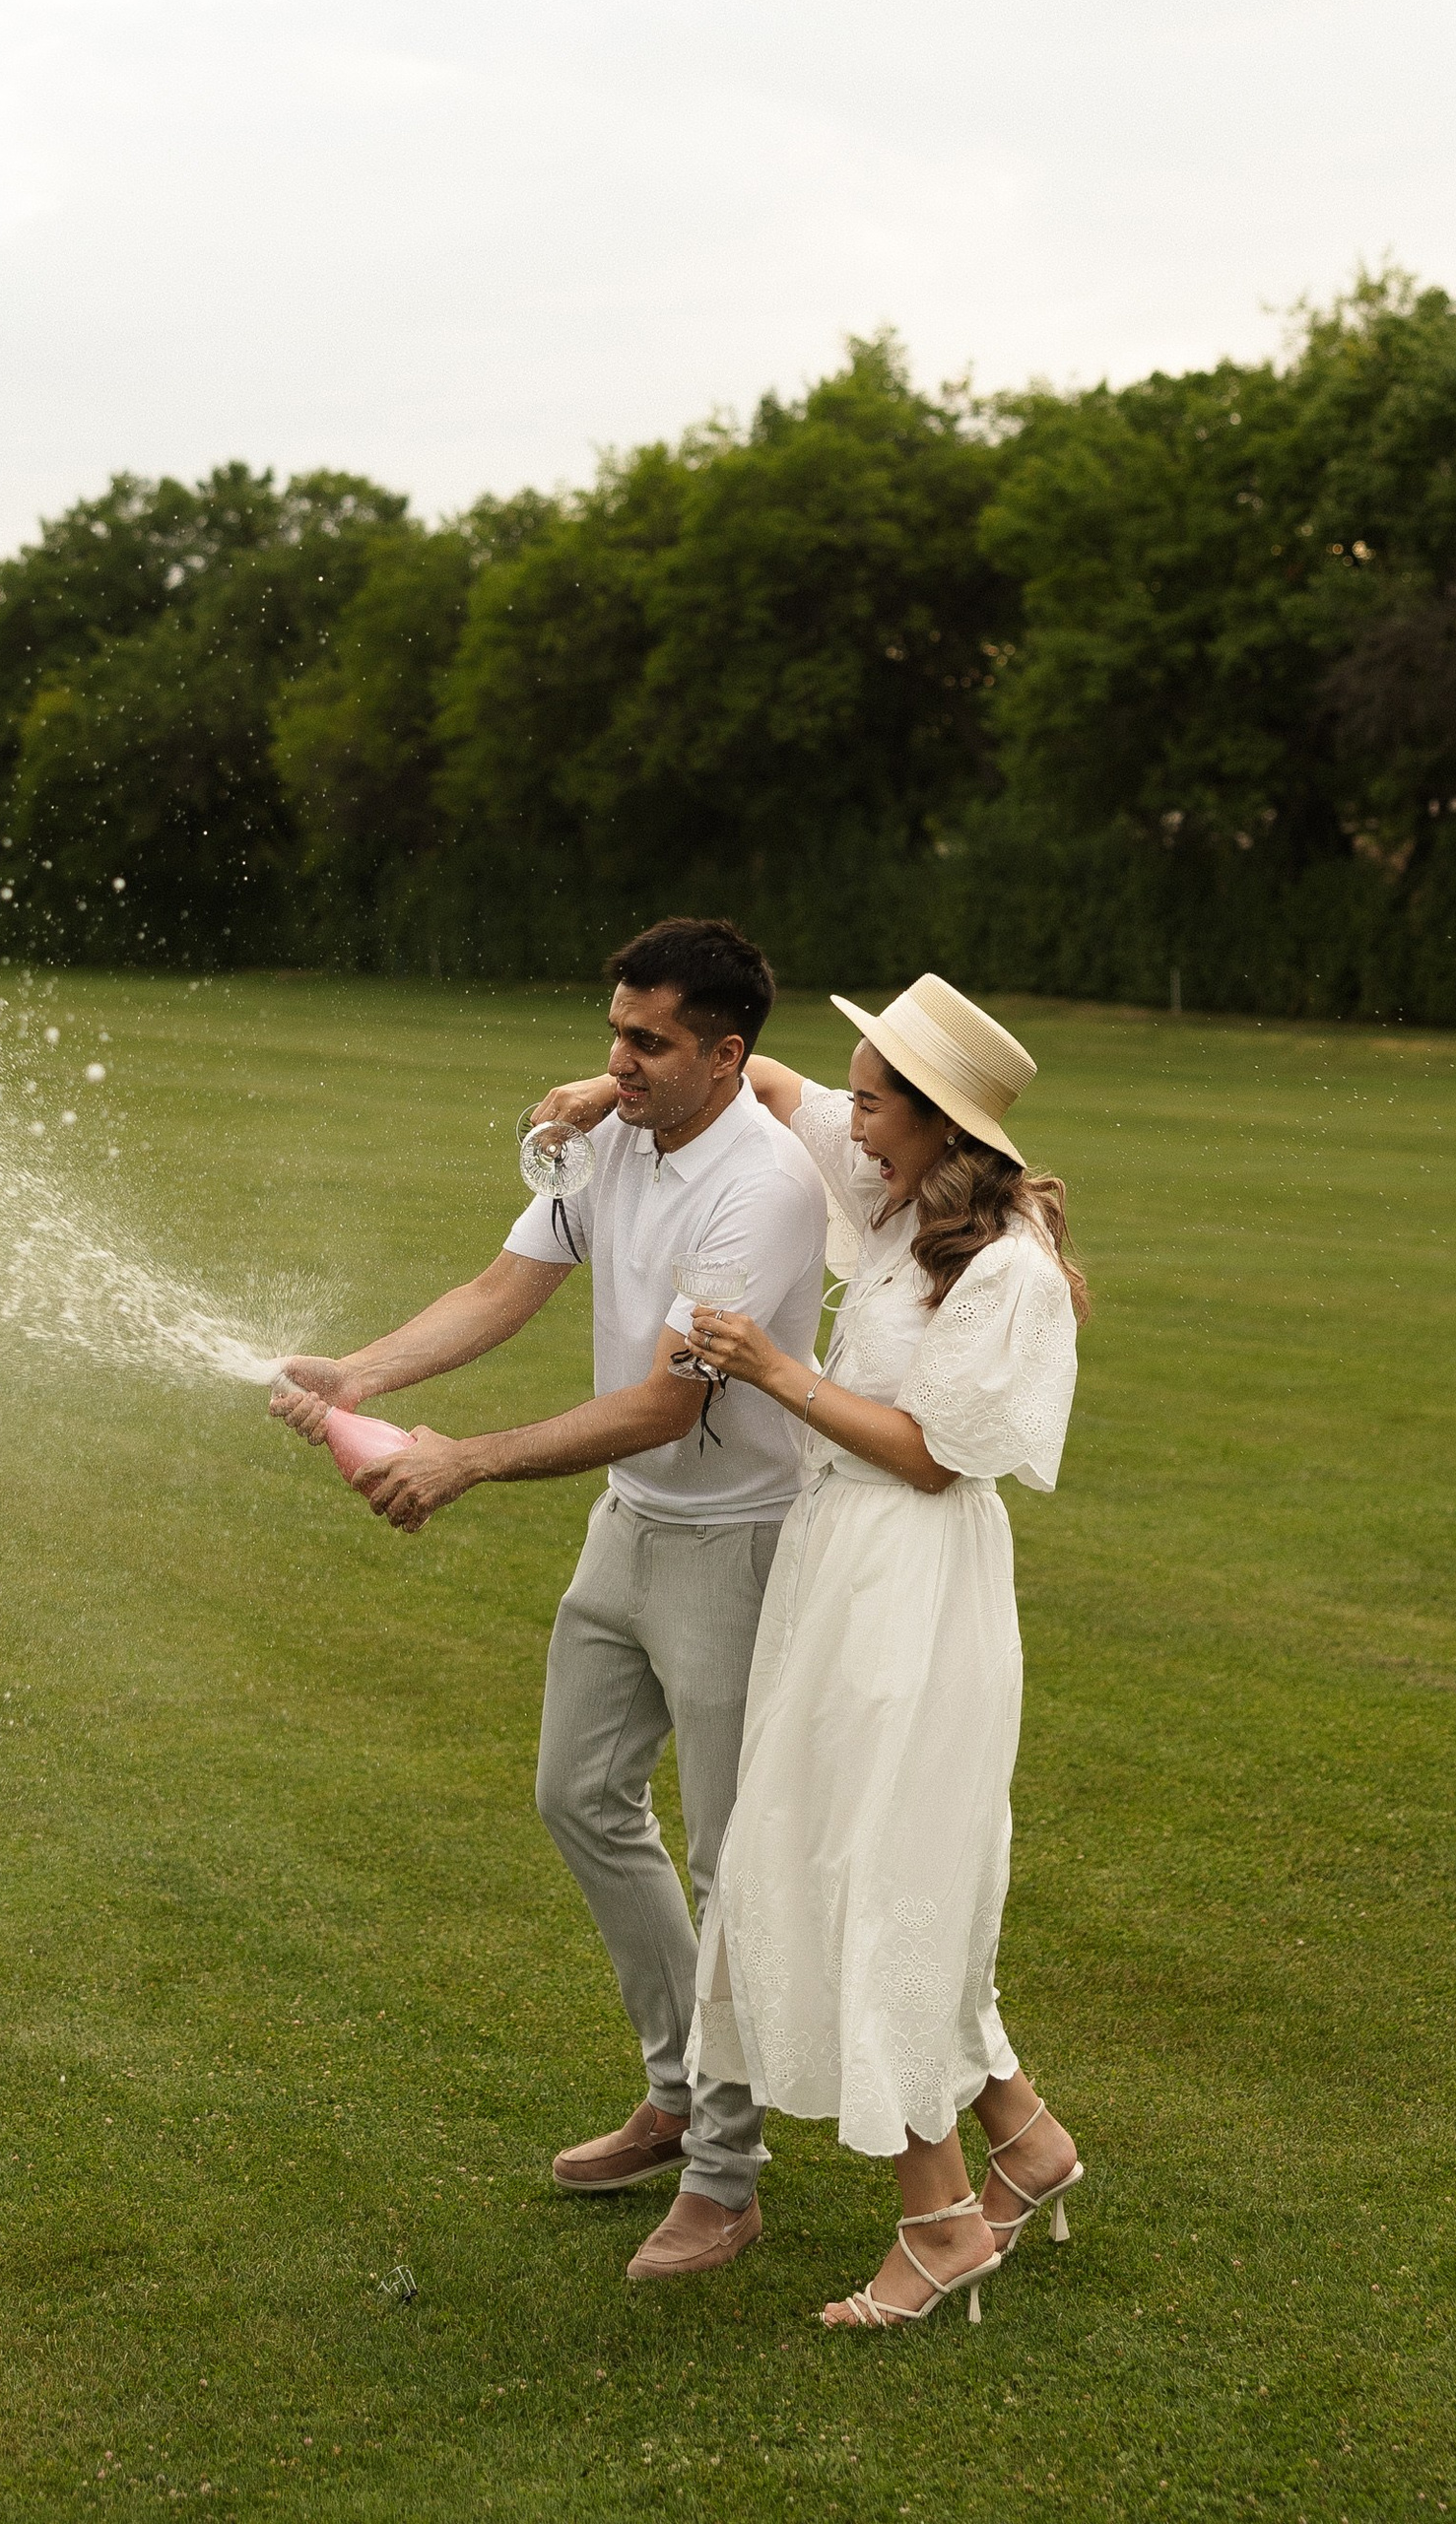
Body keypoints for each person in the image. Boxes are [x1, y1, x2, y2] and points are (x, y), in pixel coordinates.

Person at [270, 918, 826, 2285]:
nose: (616, 1063)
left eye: (650, 1042)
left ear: (727, 1056)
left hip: (741, 1546)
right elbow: (504, 1287)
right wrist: (362, 1378)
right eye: (614, 1034)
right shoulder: (608, 1136)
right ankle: (679, 2087)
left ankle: (727, 2178)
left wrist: (467, 1461)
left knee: (730, 1863)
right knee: (578, 1796)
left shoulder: (767, 1190)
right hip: (632, 1528)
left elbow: (661, 1401)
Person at [536, 970, 1088, 2331]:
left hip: (911, 1584)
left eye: (874, 1096)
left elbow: (937, 1458)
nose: (846, 1114)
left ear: (936, 1124)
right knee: (842, 1858)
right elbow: (770, 1084)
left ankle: (942, 2219)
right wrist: (600, 1087)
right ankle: (1025, 2141)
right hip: (838, 1574)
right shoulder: (895, 1204)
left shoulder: (1007, 1270)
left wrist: (780, 1374)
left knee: (871, 1874)